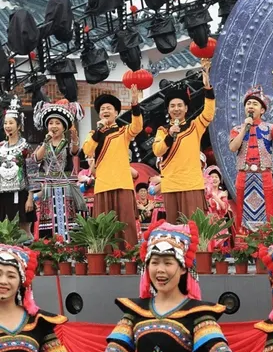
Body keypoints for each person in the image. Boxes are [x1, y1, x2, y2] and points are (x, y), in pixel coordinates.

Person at [87, 221, 252, 352]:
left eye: (168, 263)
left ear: (183, 268)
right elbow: (116, 350)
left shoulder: (196, 312)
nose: (160, 270)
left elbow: (218, 348)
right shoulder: (136, 311)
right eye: (154, 262)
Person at [229, 85, 273, 233]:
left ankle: (265, 243)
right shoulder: (237, 129)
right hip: (244, 174)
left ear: (262, 110)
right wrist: (245, 128)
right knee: (242, 209)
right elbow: (233, 147)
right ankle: (244, 248)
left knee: (267, 210)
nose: (251, 106)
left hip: (264, 175)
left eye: (255, 104)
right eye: (248, 104)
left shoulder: (269, 128)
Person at [152, 60, 214, 221]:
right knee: (174, 227)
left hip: (191, 184)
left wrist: (207, 88)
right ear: (168, 110)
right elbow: (157, 151)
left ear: (186, 108)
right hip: (171, 185)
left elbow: (208, 113)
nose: (176, 109)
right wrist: (169, 135)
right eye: (172, 106)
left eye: (180, 105)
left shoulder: (195, 126)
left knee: (193, 227)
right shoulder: (163, 130)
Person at [82, 86, 142, 247]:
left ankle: (129, 254)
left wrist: (135, 104)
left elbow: (137, 127)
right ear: (99, 114)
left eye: (109, 108)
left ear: (116, 113)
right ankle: (106, 255)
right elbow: (87, 150)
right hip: (103, 184)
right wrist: (98, 131)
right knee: (104, 224)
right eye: (102, 109)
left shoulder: (123, 132)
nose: (105, 111)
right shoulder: (93, 134)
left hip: (123, 183)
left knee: (125, 222)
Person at [33, 100, 86, 240]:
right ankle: (50, 249)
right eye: (51, 123)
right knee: (49, 218)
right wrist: (46, 142)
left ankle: (69, 248)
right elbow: (37, 158)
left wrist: (75, 139)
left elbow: (75, 152)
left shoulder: (67, 144)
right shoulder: (44, 143)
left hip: (65, 187)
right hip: (49, 187)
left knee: (67, 217)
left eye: (57, 123)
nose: (54, 126)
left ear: (64, 127)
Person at [0, 98, 35, 234]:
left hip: (21, 194)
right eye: (6, 123)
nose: (8, 126)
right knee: (4, 231)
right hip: (2, 195)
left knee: (23, 229)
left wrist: (30, 198)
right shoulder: (1, 147)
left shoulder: (25, 147)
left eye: (11, 123)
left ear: (19, 126)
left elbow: (31, 173)